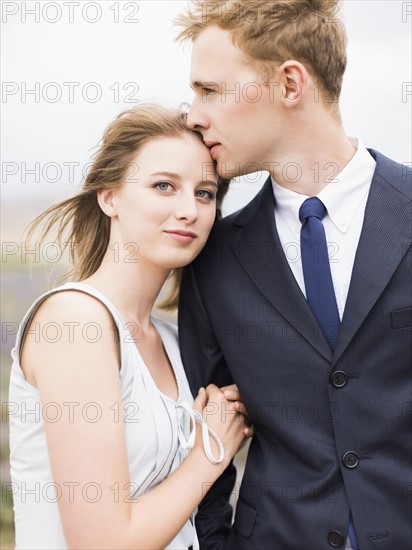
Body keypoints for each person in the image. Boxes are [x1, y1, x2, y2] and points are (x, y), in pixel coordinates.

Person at [175, 1, 412, 549]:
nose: (193, 115)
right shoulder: (212, 259)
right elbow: (201, 430)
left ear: (289, 83)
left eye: (210, 90)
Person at [8, 104, 250, 549]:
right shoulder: (75, 321)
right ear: (109, 197)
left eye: (204, 193)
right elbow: (102, 542)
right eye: (164, 186)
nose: (189, 210)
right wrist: (210, 449)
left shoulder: (174, 341)